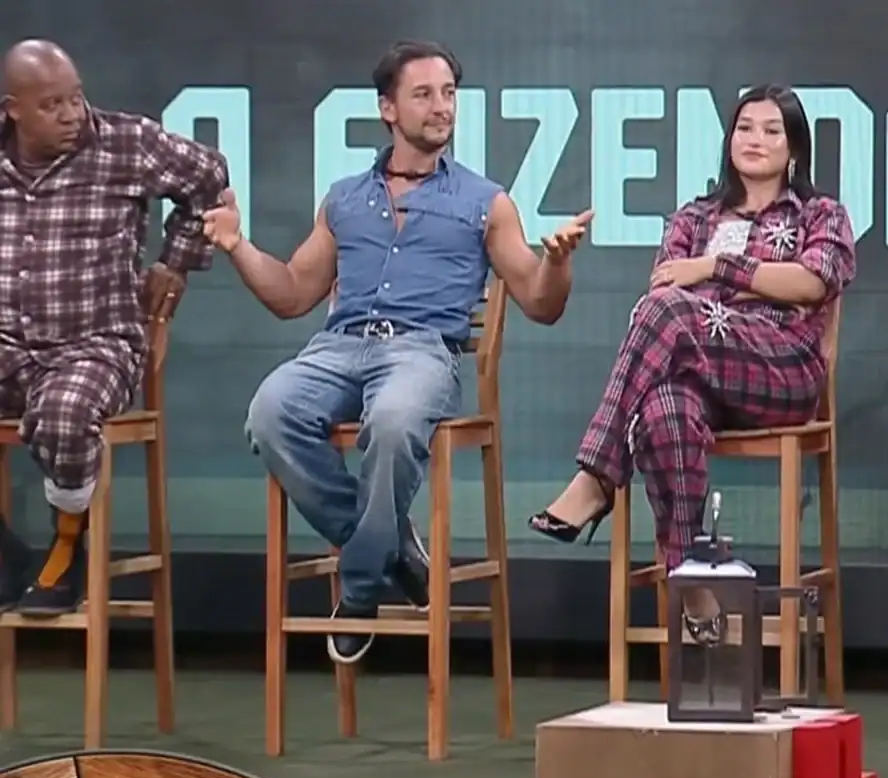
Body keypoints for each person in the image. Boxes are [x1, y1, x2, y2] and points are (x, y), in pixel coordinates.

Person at [202, 40, 590, 666]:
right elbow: (292, 293)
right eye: (424, 95)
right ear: (388, 108)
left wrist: (558, 264)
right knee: (270, 412)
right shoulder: (344, 198)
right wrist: (236, 245)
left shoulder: (485, 202)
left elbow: (540, 303)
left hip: (421, 352)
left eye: (449, 94)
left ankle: (360, 587)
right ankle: (389, 545)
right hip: (337, 347)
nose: (442, 107)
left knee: (391, 421)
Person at [528, 84, 856, 639]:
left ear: (795, 147)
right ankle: (692, 580)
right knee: (664, 410)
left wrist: (715, 270)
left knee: (671, 314)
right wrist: (750, 286)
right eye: (744, 127)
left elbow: (811, 282)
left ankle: (598, 475)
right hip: (702, 377)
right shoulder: (692, 219)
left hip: (782, 370)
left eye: (771, 130)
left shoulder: (819, 214)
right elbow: (664, 292)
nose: (755, 139)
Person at [0, 40, 228, 617]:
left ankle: (66, 547)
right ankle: (6, 558)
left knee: (66, 413)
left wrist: (175, 263)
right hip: (6, 344)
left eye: (76, 98)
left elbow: (210, 178)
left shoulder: (126, 143)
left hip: (94, 345)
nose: (72, 115)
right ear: (13, 110)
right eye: (52, 105)